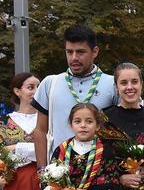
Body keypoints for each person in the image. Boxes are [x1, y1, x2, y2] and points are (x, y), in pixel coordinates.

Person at [33, 24, 118, 165]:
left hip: (99, 171)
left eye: (80, 52)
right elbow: (40, 131)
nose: (74, 58)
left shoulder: (113, 84)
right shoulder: (50, 83)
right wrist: (42, 171)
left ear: (95, 52)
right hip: (59, 171)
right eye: (69, 52)